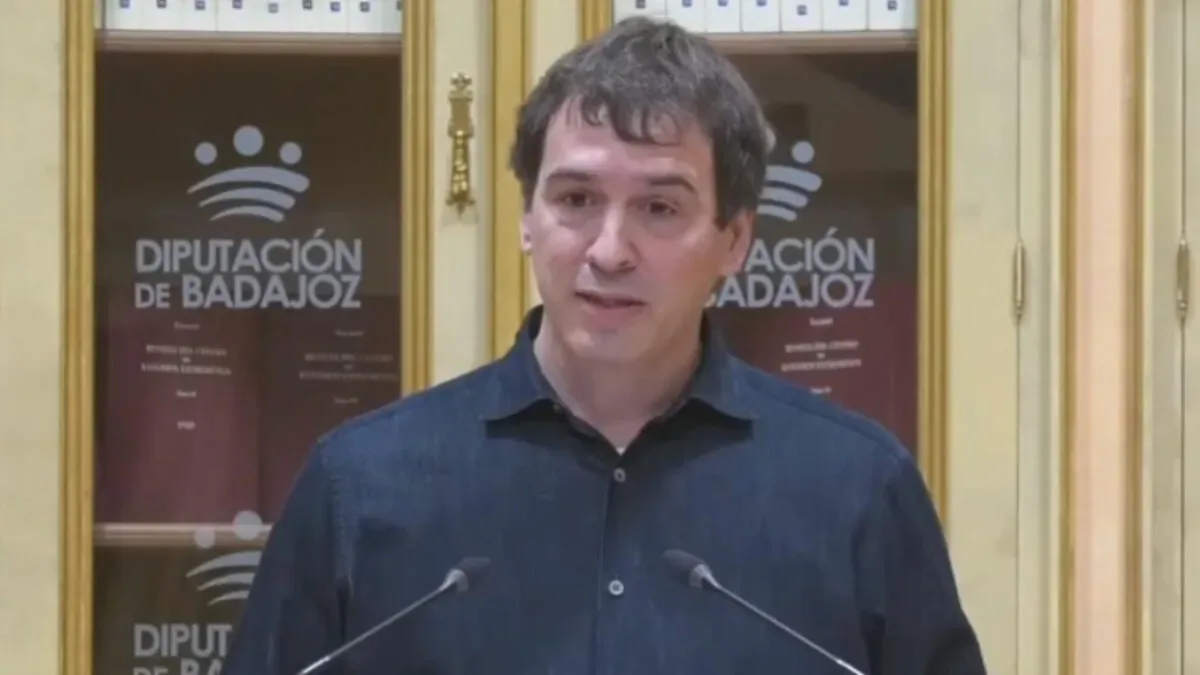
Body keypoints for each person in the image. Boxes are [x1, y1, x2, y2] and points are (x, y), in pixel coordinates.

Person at [222, 16, 988, 675]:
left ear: (735, 239)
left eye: (659, 207)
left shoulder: (859, 491)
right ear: (527, 219)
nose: (610, 250)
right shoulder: (359, 488)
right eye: (577, 199)